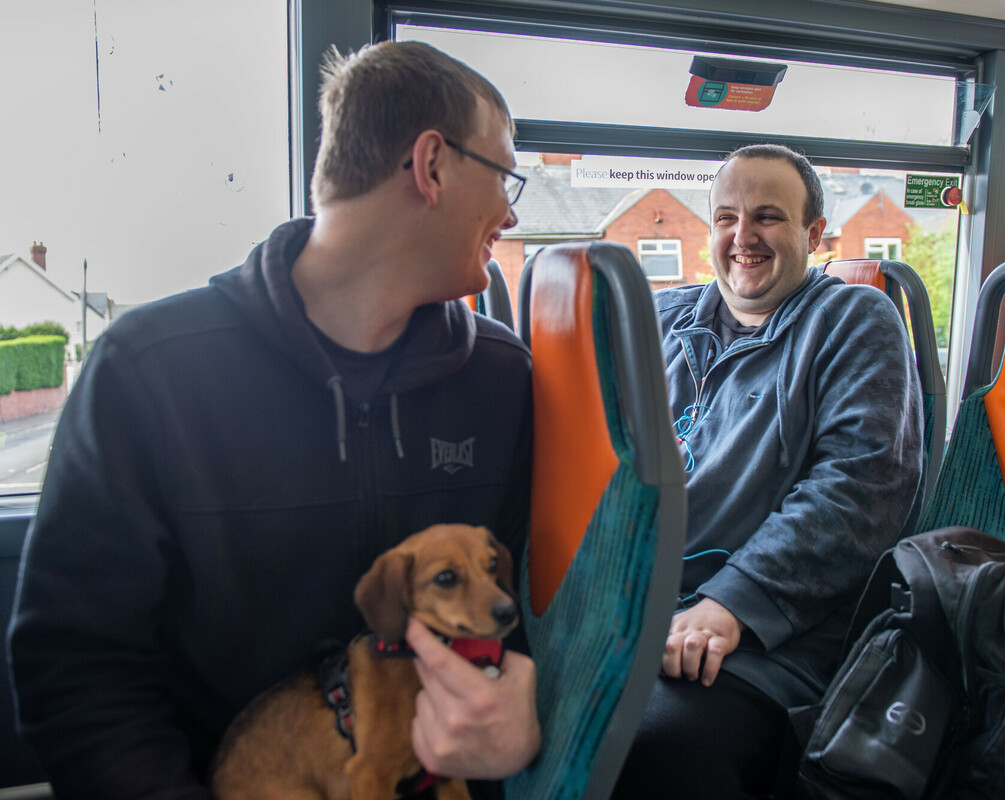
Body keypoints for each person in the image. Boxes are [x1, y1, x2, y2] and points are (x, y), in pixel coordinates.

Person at [7, 41, 539, 799]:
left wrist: (526, 713)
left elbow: (536, 612)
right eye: (504, 174)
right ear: (432, 165)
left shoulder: (502, 377)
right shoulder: (148, 370)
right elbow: (79, 671)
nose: (513, 210)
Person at [614, 144, 925, 799]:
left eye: (767, 218)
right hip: (640, 609)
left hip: (769, 633)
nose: (742, 237)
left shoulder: (851, 321)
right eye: (726, 217)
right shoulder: (662, 318)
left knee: (647, 742)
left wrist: (731, 602)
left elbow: (859, 489)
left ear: (813, 235)